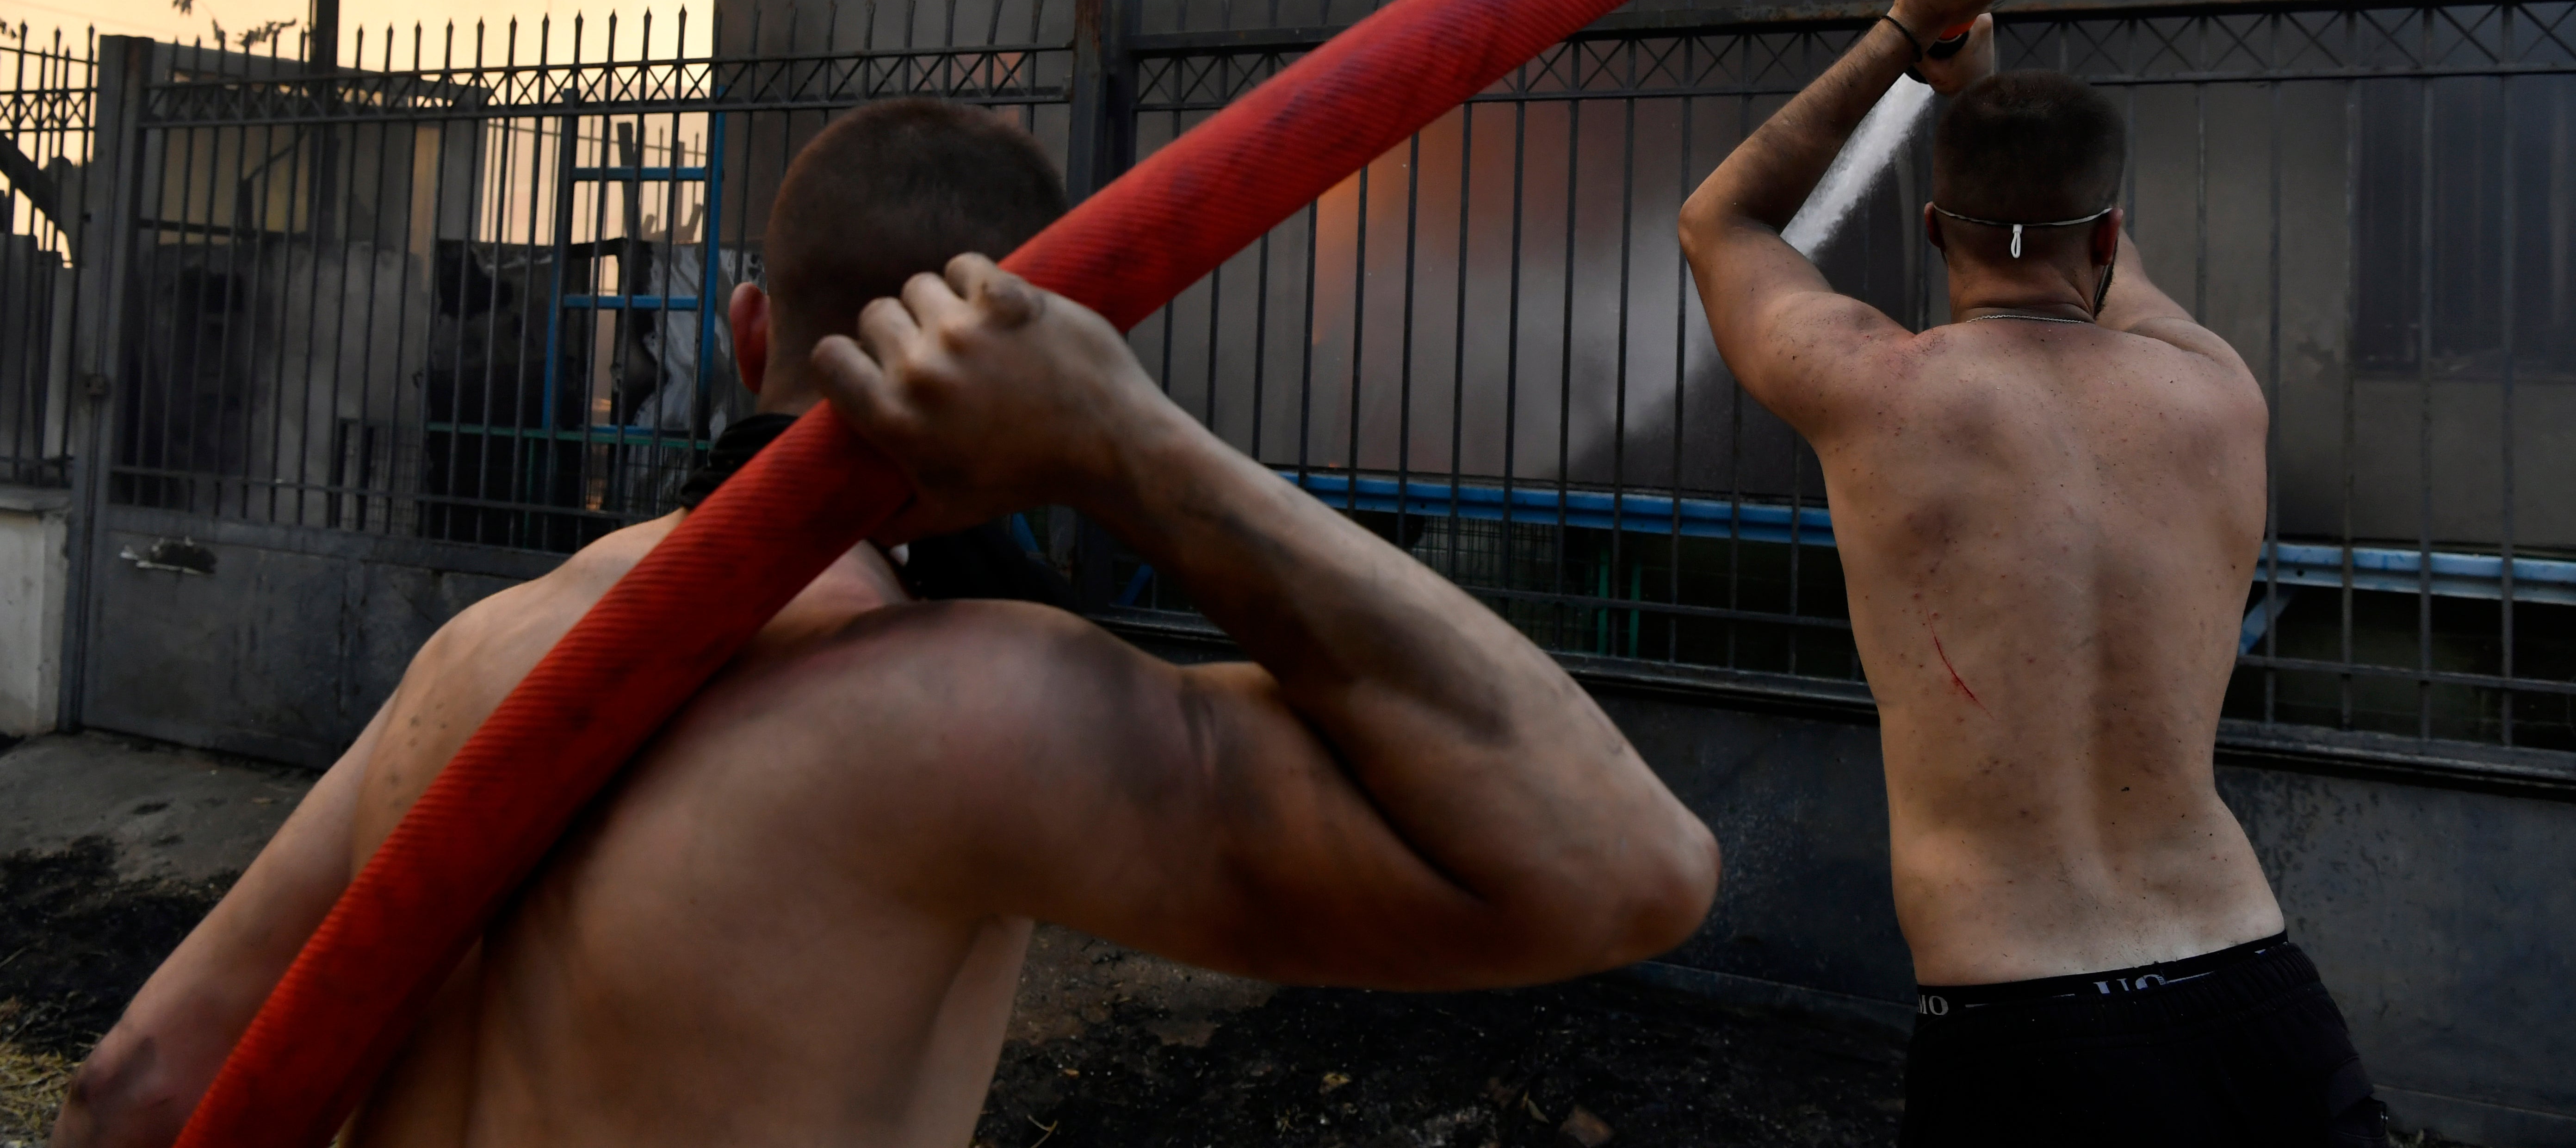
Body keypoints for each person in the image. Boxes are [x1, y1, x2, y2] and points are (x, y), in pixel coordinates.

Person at [57, 97, 1719, 1148]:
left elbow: (135, 1091)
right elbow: (1623, 863)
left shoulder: (487, 651)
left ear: (747, 328)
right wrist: (1132, 448)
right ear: (1060, 359)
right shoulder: (971, 712)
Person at [1676, 0, 2386, 1146]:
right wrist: (1975, 94)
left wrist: (1911, 27)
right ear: (2109, 232)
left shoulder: (1877, 389)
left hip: (2030, 1034)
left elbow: (1722, 222)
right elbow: (2099, 260)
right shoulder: (2217, 389)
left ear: (1939, 230)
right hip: (2259, 1001)